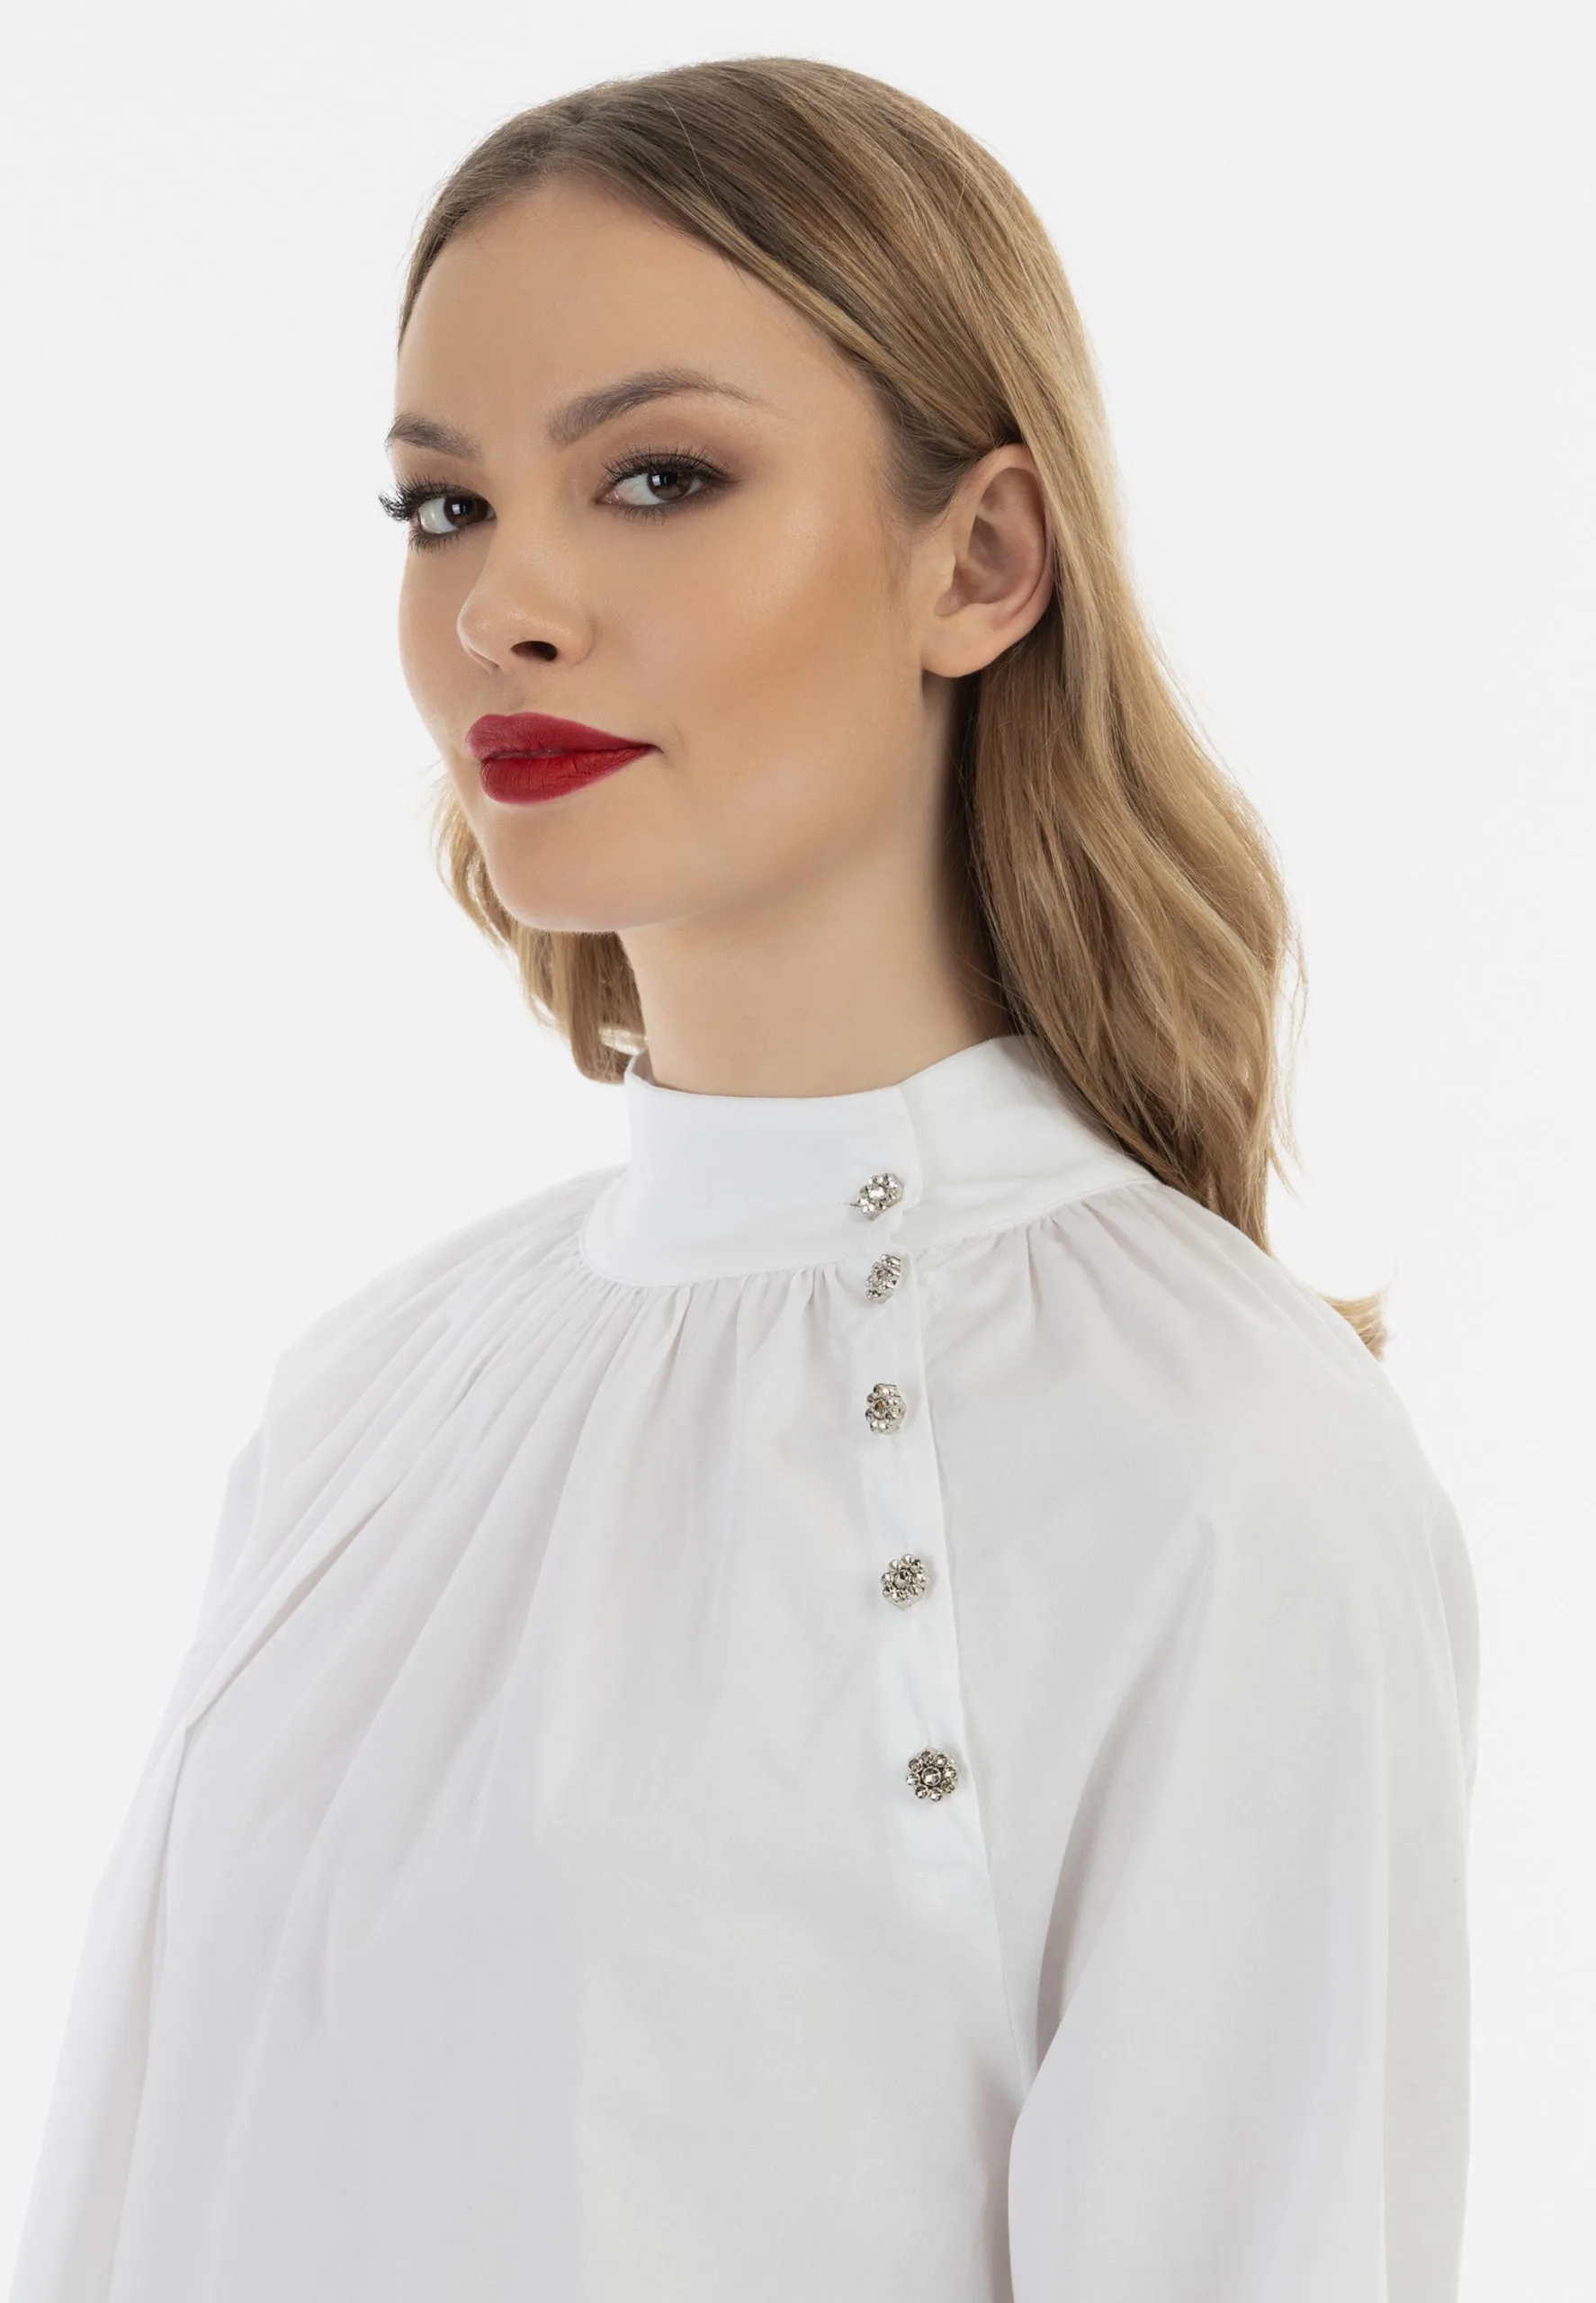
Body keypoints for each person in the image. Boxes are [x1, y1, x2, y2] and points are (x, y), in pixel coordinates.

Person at [8, 55, 1478, 2303]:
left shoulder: (1217, 1463)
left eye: (657, 477)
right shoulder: (363, 1397)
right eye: (441, 505)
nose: (502, 603)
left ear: (978, 560)